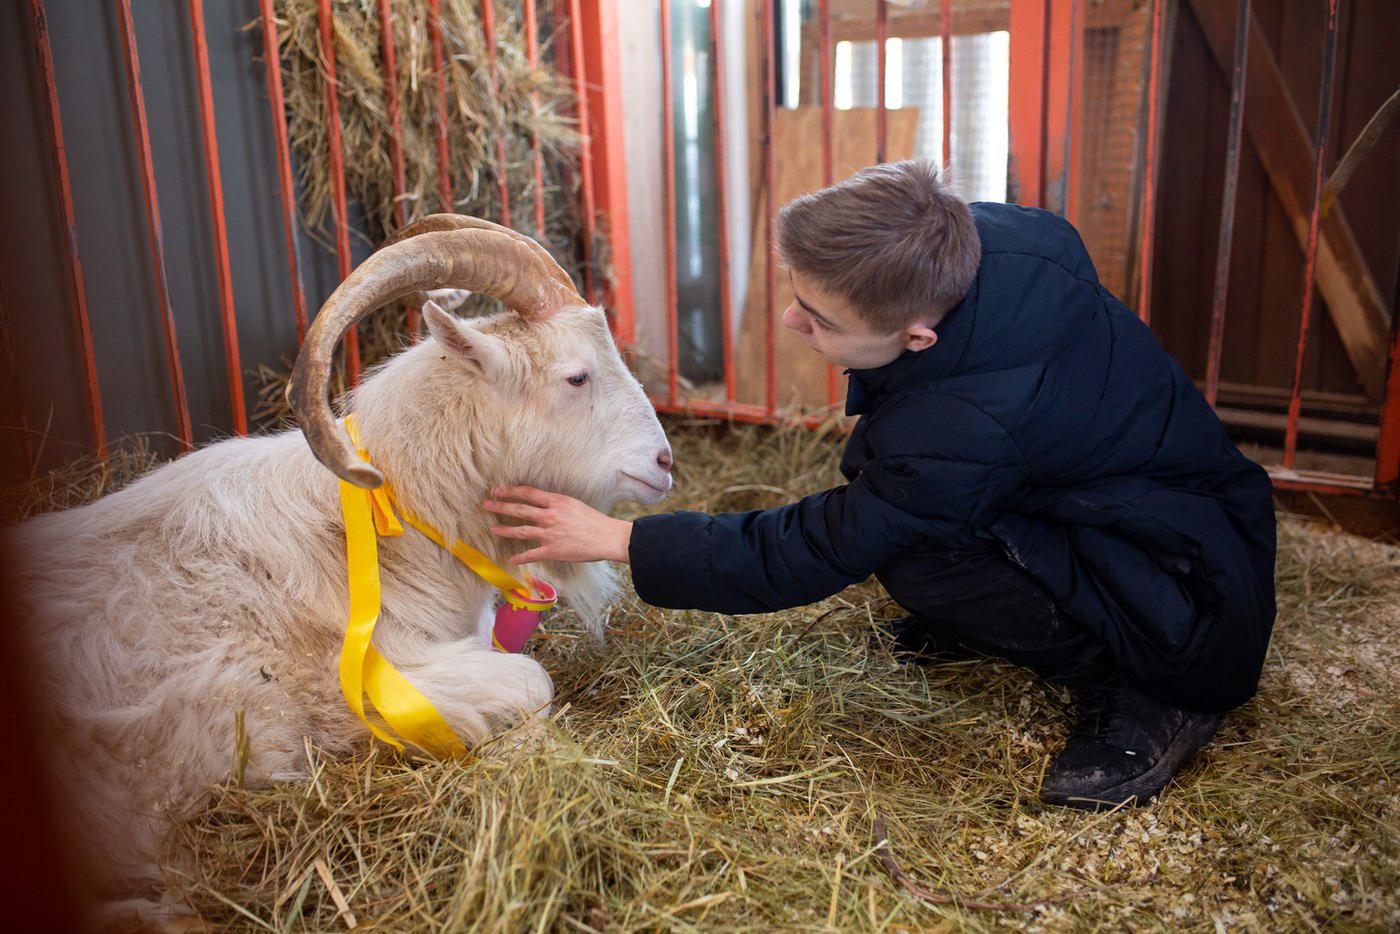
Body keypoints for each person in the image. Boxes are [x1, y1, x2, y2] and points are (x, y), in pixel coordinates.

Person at [483, 159, 1277, 810]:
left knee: (913, 556)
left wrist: (623, 540)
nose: (794, 324)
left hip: (1190, 593)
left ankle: (1144, 691)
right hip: (1153, 503)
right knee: (910, 513)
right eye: (798, 295)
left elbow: (822, 546)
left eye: (819, 319)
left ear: (918, 336)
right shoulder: (992, 245)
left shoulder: (960, 425)